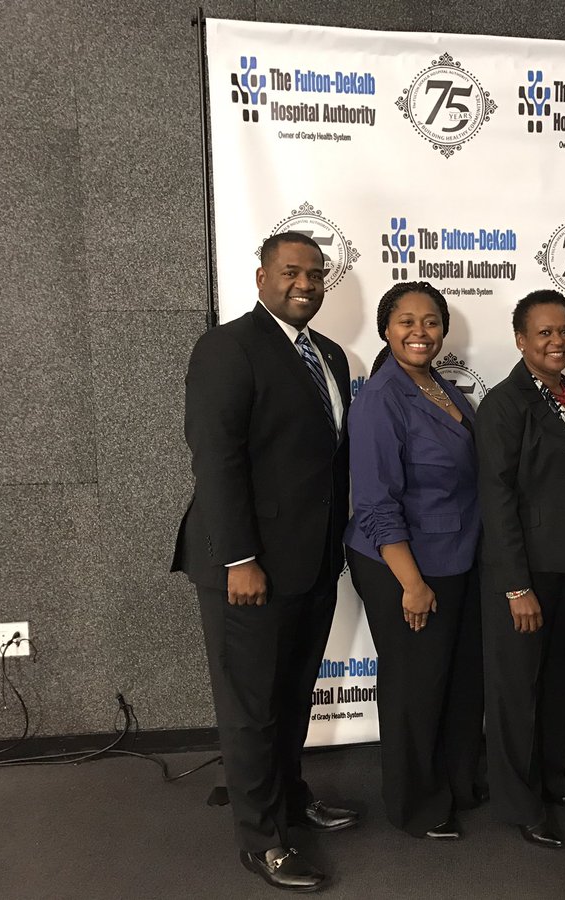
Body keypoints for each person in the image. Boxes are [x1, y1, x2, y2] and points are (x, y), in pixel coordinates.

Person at [172, 232, 358, 893]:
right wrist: (241, 560)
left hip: (311, 563)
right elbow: (216, 460)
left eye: (314, 273)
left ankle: (287, 794)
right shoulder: (228, 348)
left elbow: (327, 464)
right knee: (250, 706)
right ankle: (263, 840)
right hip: (246, 568)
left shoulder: (330, 356)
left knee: (290, 695)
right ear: (260, 277)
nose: (304, 283)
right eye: (290, 272)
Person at [344, 281, 484, 841]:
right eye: (406, 321)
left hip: (456, 558)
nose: (419, 332)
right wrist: (411, 583)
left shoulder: (445, 390)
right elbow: (376, 502)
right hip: (403, 566)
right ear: (386, 329)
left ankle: (456, 784)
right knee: (415, 687)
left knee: (453, 683)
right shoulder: (380, 398)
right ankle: (417, 806)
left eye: (430, 321)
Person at [475, 289, 565, 850]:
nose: (557, 341)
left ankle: (552, 776)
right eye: (544, 333)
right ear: (521, 340)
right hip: (523, 572)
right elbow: (496, 498)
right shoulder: (505, 403)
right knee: (515, 690)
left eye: (564, 331)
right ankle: (519, 802)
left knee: (553, 679)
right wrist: (515, 585)